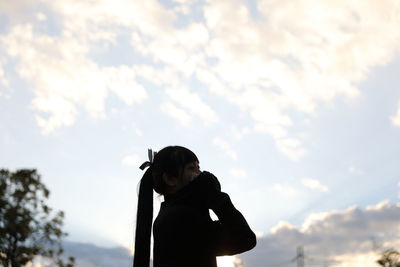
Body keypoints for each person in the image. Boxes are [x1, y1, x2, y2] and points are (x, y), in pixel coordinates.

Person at [133, 146, 256, 267]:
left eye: (198, 167)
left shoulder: (174, 213)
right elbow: (245, 239)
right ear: (170, 179)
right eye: (191, 168)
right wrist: (214, 195)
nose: (200, 174)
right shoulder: (180, 217)